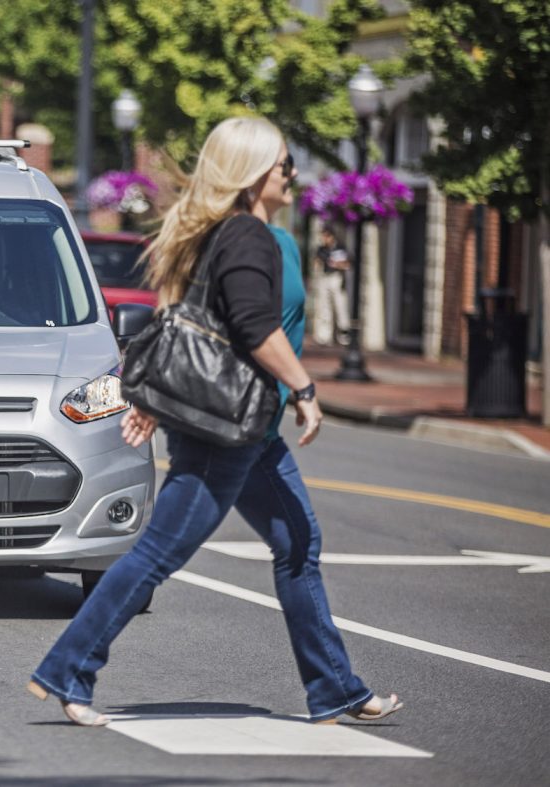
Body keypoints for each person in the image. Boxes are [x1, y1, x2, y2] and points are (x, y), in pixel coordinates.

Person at [26, 117, 403, 728]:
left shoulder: (221, 233)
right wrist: (305, 388)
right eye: (284, 165)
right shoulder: (248, 235)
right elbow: (254, 327)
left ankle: (335, 690)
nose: (292, 175)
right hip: (224, 430)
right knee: (156, 555)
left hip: (244, 429)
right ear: (256, 175)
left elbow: (190, 323)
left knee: (298, 545)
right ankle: (68, 671)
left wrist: (154, 401)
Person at [311, 227, 351, 345]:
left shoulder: (340, 248)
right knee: (324, 307)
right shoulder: (321, 249)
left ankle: (343, 335)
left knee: (340, 305)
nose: (323, 239)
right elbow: (316, 263)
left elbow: (347, 264)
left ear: (331, 236)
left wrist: (338, 264)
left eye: (326, 236)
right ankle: (324, 336)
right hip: (324, 277)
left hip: (336, 278)